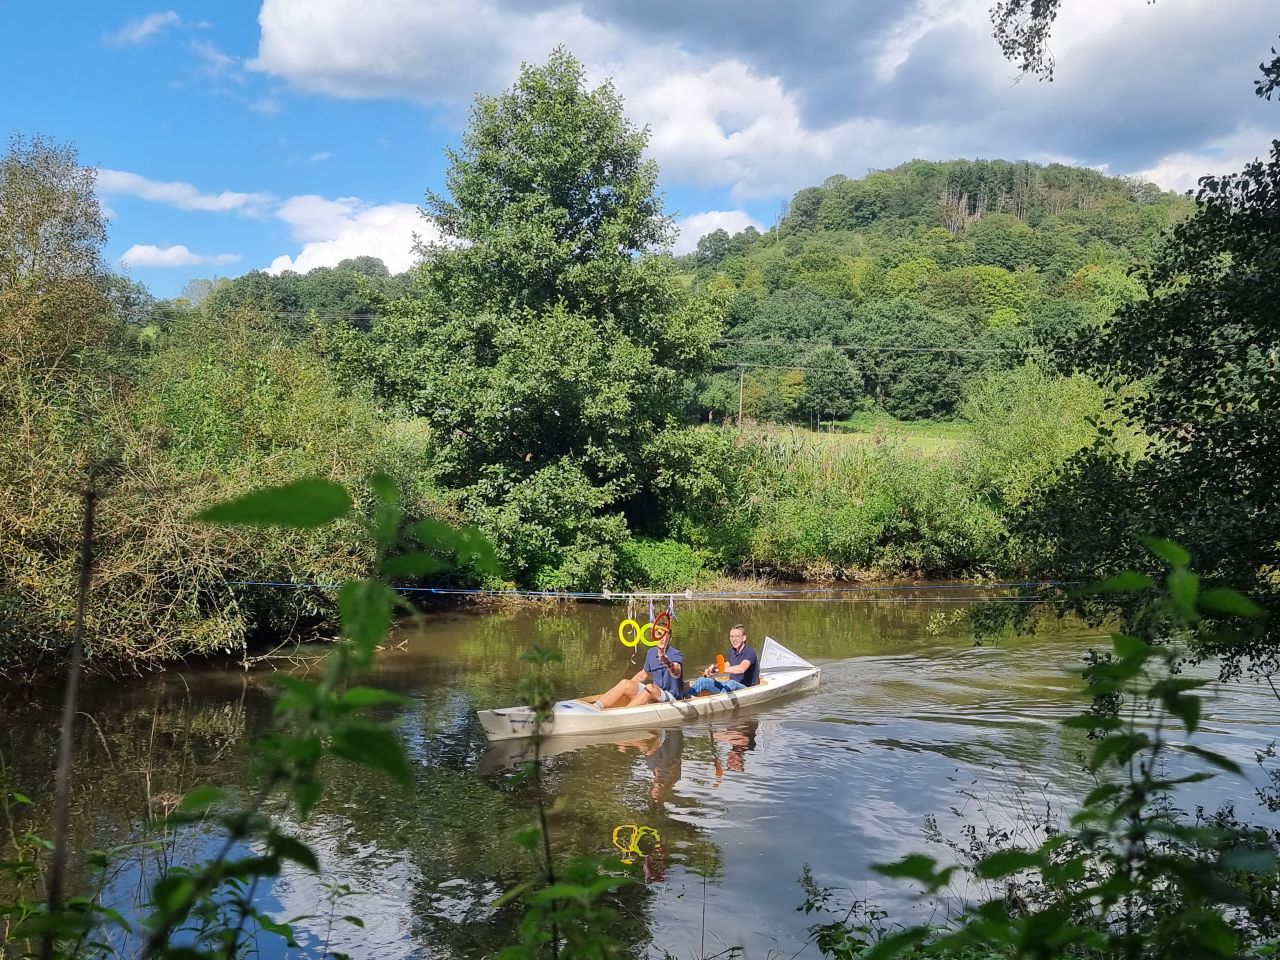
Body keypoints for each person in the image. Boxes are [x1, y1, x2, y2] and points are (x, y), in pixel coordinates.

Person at [590, 626, 684, 709]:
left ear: (670, 639)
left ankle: (624, 714)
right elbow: (643, 675)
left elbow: (676, 673)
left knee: (649, 688)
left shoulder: (675, 653)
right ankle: (594, 708)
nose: (661, 638)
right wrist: (628, 688)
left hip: (672, 698)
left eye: (665, 635)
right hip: (654, 693)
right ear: (654, 637)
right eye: (659, 634)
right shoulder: (651, 652)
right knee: (625, 683)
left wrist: (668, 663)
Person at [686, 624, 758, 696]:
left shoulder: (750, 652)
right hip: (730, 686)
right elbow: (728, 663)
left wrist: (720, 670)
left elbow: (741, 668)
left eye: (737, 636)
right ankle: (685, 698)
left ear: (744, 638)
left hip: (747, 689)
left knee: (731, 683)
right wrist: (714, 668)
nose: (733, 639)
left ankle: (718, 703)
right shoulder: (732, 651)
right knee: (702, 680)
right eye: (731, 636)